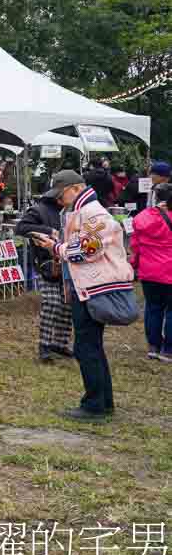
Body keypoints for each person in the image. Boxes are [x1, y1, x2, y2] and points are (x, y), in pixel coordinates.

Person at [31, 170, 133, 422]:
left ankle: (95, 405)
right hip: (88, 286)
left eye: (61, 194)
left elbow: (89, 249)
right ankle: (102, 401)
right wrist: (58, 240)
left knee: (86, 347)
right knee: (91, 347)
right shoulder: (85, 211)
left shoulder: (92, 212)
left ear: (75, 189)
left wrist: (56, 247)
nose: (58, 200)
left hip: (92, 287)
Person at [15, 190, 72, 362]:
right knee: (52, 303)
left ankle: (60, 343)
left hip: (68, 262)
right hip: (46, 264)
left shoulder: (71, 210)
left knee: (67, 305)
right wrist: (48, 231)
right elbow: (21, 228)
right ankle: (45, 345)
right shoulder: (38, 210)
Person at [130, 182, 172, 362]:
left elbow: (135, 247)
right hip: (169, 271)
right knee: (171, 310)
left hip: (148, 271)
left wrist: (134, 265)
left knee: (153, 308)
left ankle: (153, 346)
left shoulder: (141, 218)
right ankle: (168, 349)